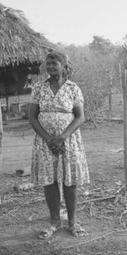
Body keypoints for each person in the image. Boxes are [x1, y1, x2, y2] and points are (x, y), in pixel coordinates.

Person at [29, 50, 90, 239]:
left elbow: (80, 117)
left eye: (54, 64)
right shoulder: (38, 88)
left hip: (69, 141)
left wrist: (62, 137)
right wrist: (49, 139)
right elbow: (32, 116)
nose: (50, 67)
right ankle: (54, 222)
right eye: (48, 64)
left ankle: (72, 222)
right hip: (44, 142)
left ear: (63, 66)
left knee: (69, 181)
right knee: (50, 180)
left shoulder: (73, 88)